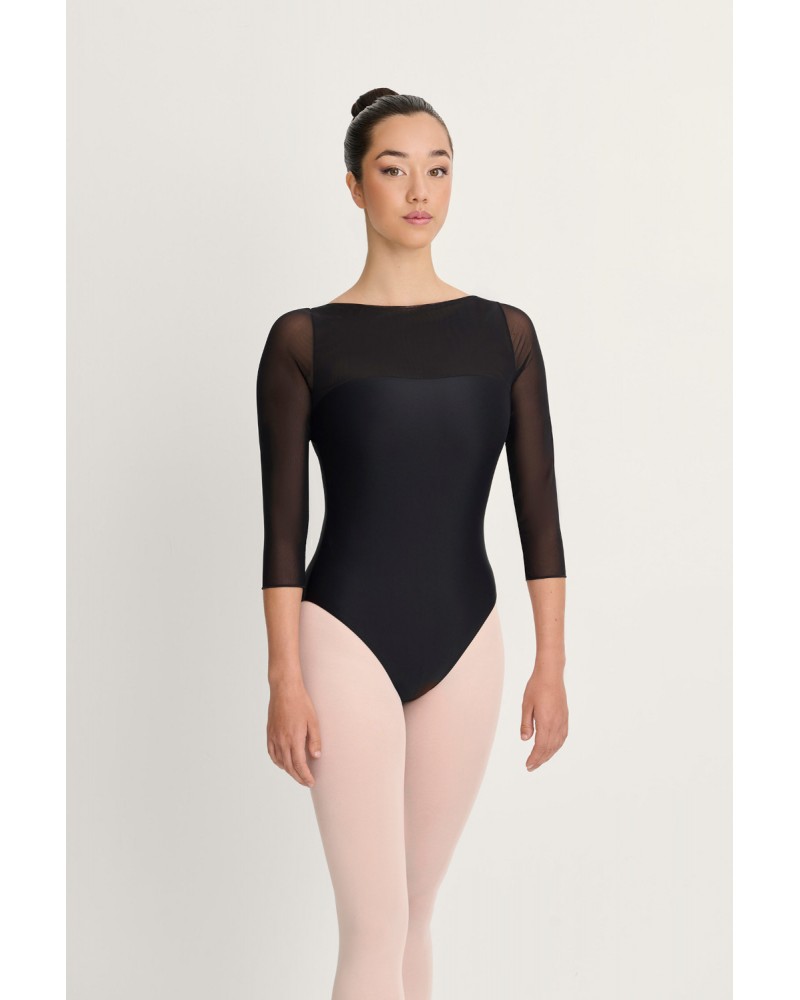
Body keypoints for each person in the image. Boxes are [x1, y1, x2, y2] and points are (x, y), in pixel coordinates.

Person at [256, 88, 568, 999]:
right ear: (356, 186)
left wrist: (551, 663)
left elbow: (540, 515)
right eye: (393, 170)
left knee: (417, 913)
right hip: (342, 635)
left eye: (438, 169)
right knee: (374, 925)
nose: (419, 189)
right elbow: (282, 531)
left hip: (467, 639)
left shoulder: (505, 334)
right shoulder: (305, 341)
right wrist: (284, 677)